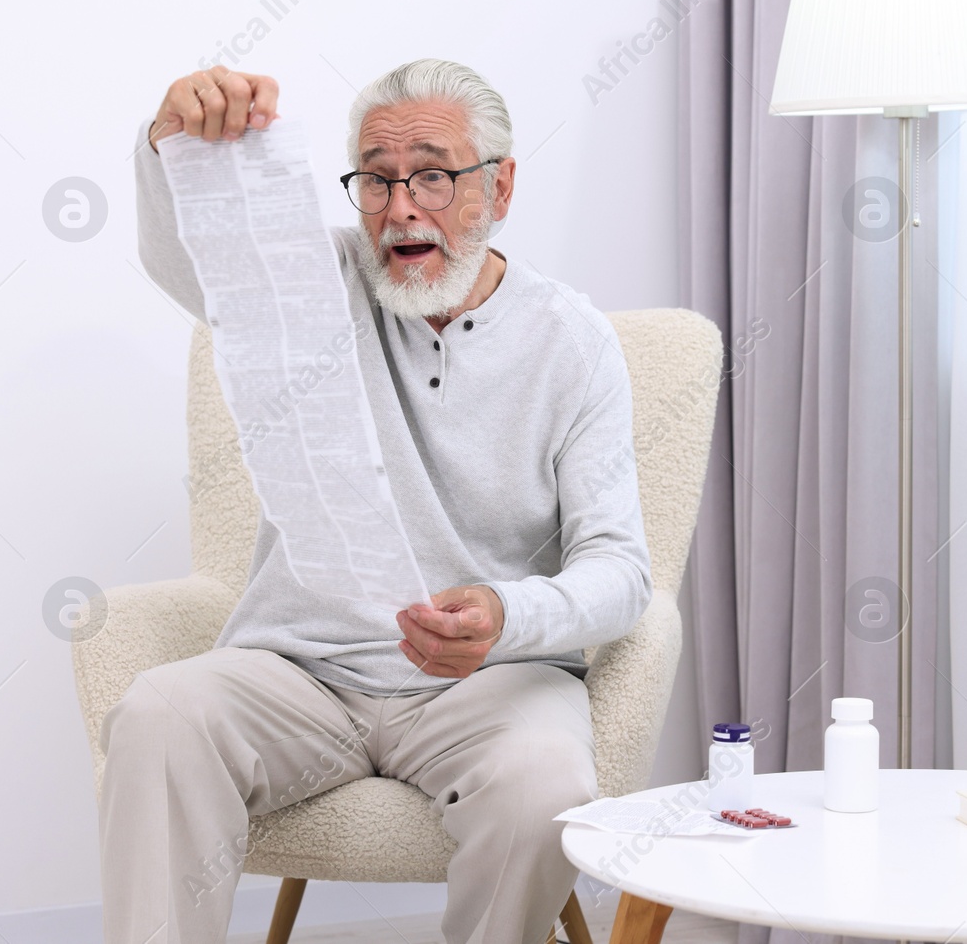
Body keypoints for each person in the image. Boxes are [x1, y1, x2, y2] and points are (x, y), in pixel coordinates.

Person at [99, 58, 652, 944]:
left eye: (433, 174)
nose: (401, 207)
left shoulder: (572, 342)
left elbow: (621, 571)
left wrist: (508, 614)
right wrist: (165, 140)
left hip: (485, 680)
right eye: (378, 178)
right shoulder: (316, 282)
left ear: (499, 185)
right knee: (158, 715)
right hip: (302, 670)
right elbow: (185, 263)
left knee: (544, 784)